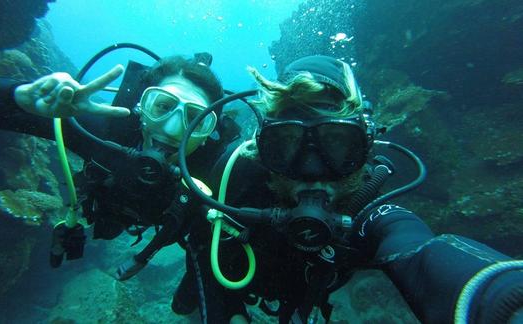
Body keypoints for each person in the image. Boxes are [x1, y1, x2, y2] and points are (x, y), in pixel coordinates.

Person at [172, 55, 523, 323]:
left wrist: (500, 296)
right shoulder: (235, 182)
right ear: (264, 149)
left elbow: (419, 252)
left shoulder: (369, 205)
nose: (311, 171)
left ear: (365, 148)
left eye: (336, 144)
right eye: (288, 143)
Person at [0, 53, 241, 280]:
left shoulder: (215, 178)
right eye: (163, 106)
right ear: (141, 107)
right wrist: (18, 97)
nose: (173, 129)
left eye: (195, 119)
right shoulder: (104, 133)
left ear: (209, 133)